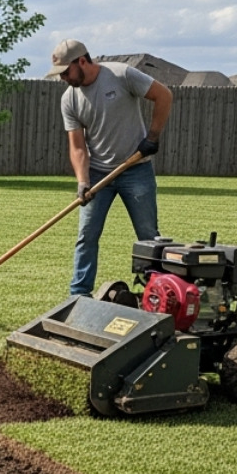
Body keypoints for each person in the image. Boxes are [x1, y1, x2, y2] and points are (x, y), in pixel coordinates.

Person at [49, 39, 172, 298]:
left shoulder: (121, 75)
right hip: (97, 174)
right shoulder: (69, 99)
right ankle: (79, 295)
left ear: (82, 61)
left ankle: (157, 294)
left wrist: (153, 137)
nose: (62, 79)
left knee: (148, 236)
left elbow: (164, 96)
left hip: (136, 169)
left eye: (65, 72)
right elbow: (78, 147)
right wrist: (83, 181)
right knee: (86, 236)